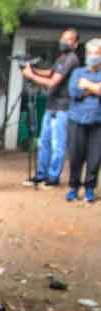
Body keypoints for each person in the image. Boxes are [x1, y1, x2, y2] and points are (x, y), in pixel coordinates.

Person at [22, 28, 81, 187]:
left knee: (57, 144)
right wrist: (32, 69)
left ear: (75, 44)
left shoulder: (71, 59)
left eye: (68, 39)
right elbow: (49, 72)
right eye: (63, 38)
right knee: (44, 142)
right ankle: (41, 175)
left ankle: (53, 178)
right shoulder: (62, 57)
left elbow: (52, 81)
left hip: (62, 108)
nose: (63, 42)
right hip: (51, 106)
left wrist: (31, 76)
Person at [65, 37, 101, 203]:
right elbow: (74, 93)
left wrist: (87, 86)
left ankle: (89, 189)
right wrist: (96, 88)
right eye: (91, 53)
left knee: (94, 158)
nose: (93, 56)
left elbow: (83, 89)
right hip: (77, 120)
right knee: (76, 156)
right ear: (86, 54)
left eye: (97, 53)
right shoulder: (77, 73)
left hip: (98, 123)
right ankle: (73, 187)